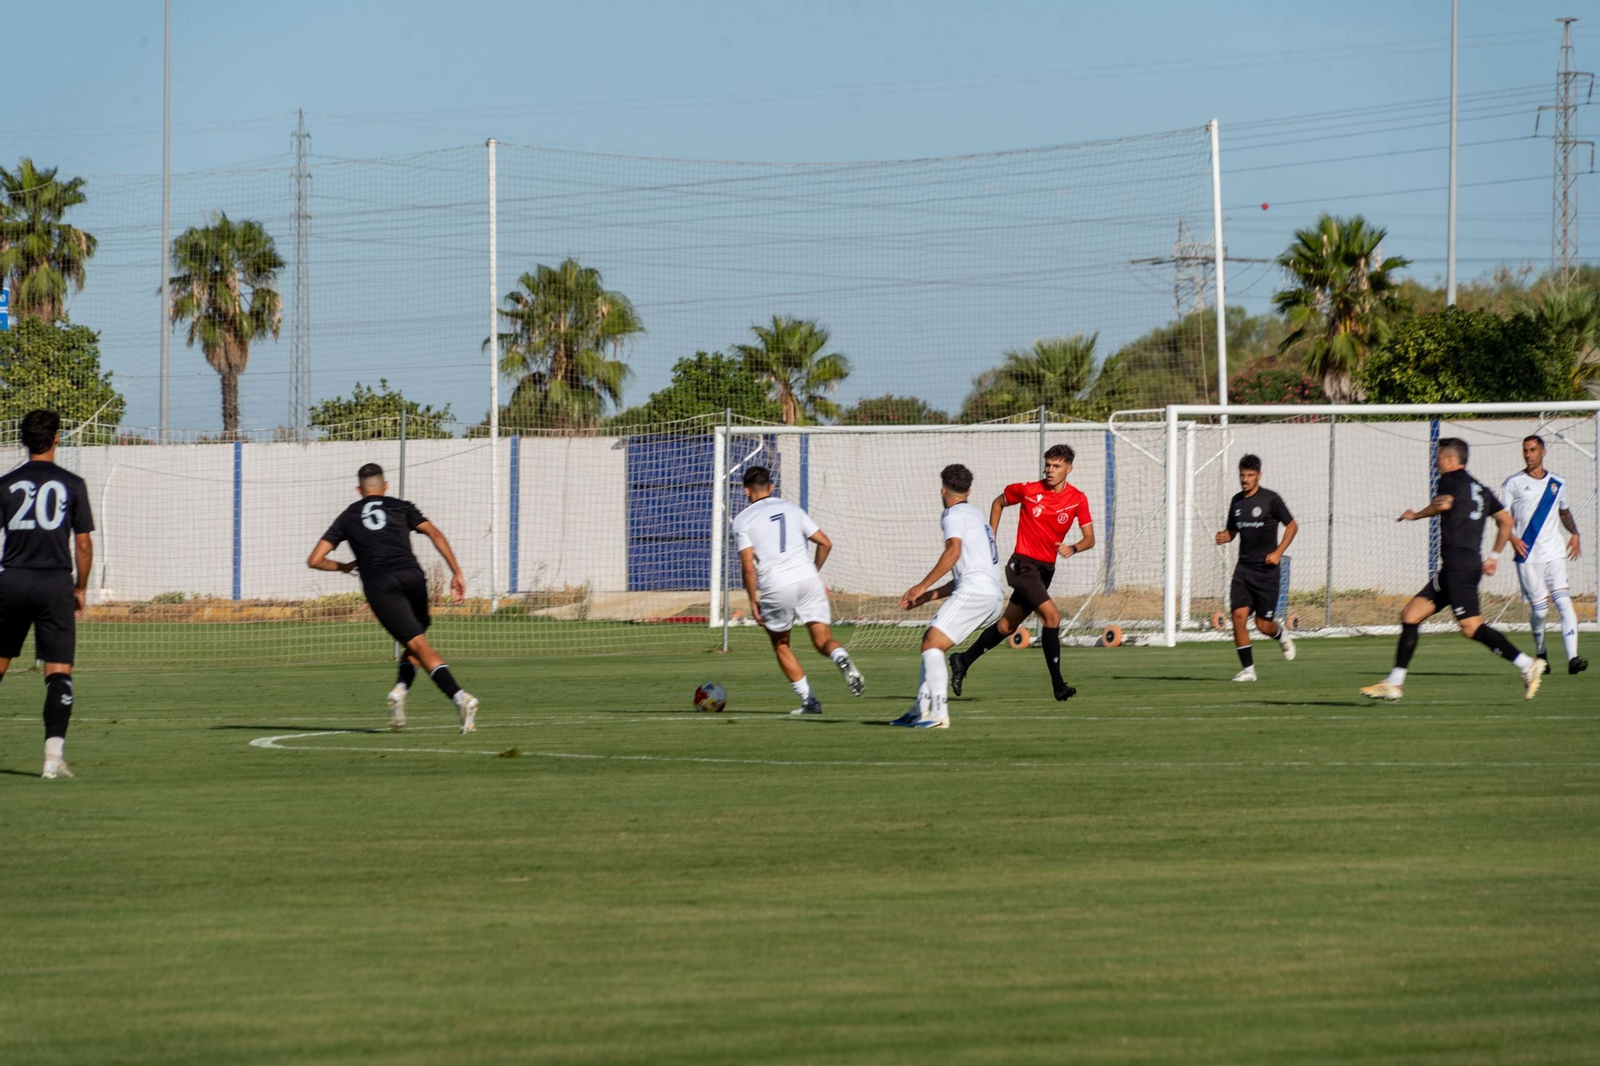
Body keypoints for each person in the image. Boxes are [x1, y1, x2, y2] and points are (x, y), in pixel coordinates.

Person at [1360, 437, 1545, 701]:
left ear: (1449, 459)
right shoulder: (1480, 488)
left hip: (1459, 567)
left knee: (1471, 627)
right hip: (1455, 569)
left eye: (1438, 457)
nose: (1436, 462)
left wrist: (1415, 515)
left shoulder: (1450, 478)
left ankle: (1527, 664)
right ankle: (1395, 682)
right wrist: (1493, 556)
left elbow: (1444, 503)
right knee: (1411, 614)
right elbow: (1506, 520)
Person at [307, 462, 479, 733]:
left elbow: (315, 560)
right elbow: (434, 533)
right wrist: (456, 572)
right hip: (412, 576)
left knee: (419, 644)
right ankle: (400, 691)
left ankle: (461, 698)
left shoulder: (347, 517)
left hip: (380, 584)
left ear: (358, 489)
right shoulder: (401, 505)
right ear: (385, 486)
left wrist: (344, 566)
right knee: (415, 640)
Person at [948, 444, 1093, 702]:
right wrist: (991, 538)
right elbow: (997, 502)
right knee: (1052, 616)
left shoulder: (1078, 499)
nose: (1049, 470)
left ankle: (962, 660)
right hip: (1022, 565)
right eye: (1047, 464)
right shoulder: (1028, 490)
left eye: (1056, 466)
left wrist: (1074, 547)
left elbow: (1089, 539)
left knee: (1006, 626)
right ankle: (1058, 685)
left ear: (1068, 469)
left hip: (1045, 570)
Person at [0, 410, 95, 779]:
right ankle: (52, 760)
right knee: (59, 671)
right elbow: (83, 545)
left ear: (23, 440)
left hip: (13, 580)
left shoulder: (5, 484)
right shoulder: (72, 483)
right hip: (55, 583)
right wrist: (81, 587)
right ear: (56, 438)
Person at [730, 466, 864, 715]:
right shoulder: (792, 508)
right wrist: (813, 570)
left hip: (776, 583)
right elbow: (825, 542)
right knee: (823, 639)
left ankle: (809, 701)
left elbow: (747, 566)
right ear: (771, 488)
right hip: (807, 577)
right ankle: (840, 656)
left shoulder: (743, 520)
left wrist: (752, 600)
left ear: (746, 491)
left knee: (781, 644)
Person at [892, 464, 1006, 729]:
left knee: (931, 644)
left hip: (976, 592)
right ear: (969, 490)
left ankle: (939, 715)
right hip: (992, 596)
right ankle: (918, 710)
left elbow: (953, 552)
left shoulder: (952, 514)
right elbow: (963, 574)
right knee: (933, 644)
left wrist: (921, 585)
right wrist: (928, 595)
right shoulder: (975, 516)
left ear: (943, 489)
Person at [1500, 434, 1586, 675]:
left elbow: (1564, 512)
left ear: (1543, 452)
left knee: (1564, 603)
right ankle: (1540, 651)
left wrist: (1575, 534)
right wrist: (1513, 539)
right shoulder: (1513, 483)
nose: (1528, 455)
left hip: (1554, 553)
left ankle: (1573, 659)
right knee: (1540, 611)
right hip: (1527, 556)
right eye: (1525, 450)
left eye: (1532, 450)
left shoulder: (1558, 483)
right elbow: (1501, 518)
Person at [1214, 453, 1298, 681]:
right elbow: (1233, 530)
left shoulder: (1271, 500)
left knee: (1263, 625)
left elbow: (1292, 525)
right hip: (1243, 570)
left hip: (1267, 572)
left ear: (1259, 476)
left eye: (1250, 475)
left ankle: (1280, 634)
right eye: (1242, 475)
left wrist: (1278, 552)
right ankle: (1249, 671)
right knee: (1238, 617)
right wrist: (1225, 536)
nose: (1245, 479)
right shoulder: (1236, 501)